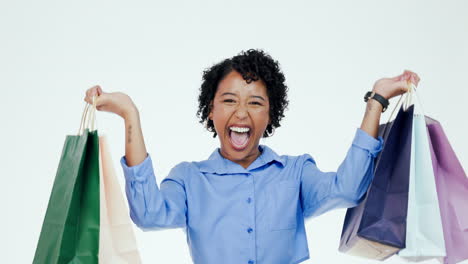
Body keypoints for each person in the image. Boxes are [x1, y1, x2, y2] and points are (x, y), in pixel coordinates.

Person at [84, 49, 420, 264]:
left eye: (255, 102)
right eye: (229, 100)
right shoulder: (190, 179)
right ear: (211, 112)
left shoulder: (295, 173)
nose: (241, 112)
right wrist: (130, 115)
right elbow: (147, 214)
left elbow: (349, 189)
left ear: (270, 115)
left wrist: (375, 101)